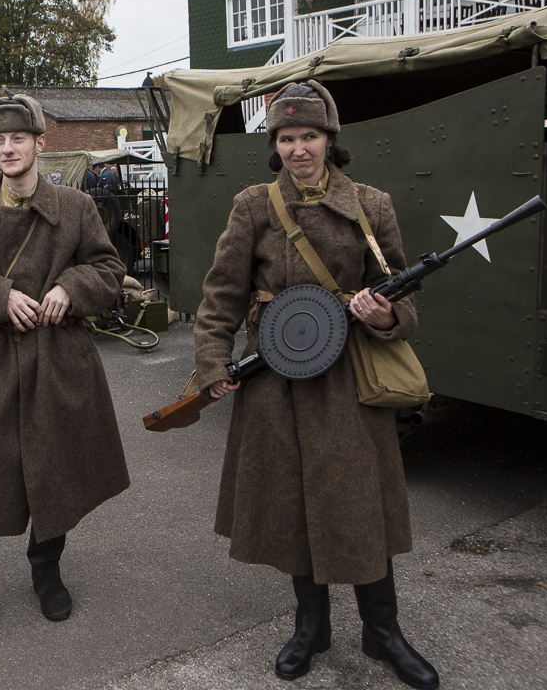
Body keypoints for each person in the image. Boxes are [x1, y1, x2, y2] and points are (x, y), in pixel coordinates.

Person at [192, 81, 439, 689]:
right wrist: (211, 363)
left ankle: (383, 632)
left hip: (348, 378)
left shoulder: (371, 204)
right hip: (277, 376)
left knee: (363, 507)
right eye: (286, 138)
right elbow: (221, 292)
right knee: (293, 505)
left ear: (330, 140)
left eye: (309, 136)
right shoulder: (254, 205)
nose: (299, 148)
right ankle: (311, 627)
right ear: (275, 145)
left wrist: (383, 315)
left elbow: (403, 295)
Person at [0, 93, 130, 640]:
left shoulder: (76, 208)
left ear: (40, 144)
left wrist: (72, 285)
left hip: (62, 359)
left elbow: (109, 269)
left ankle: (47, 571)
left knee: (54, 470)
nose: (8, 149)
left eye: (18, 138)